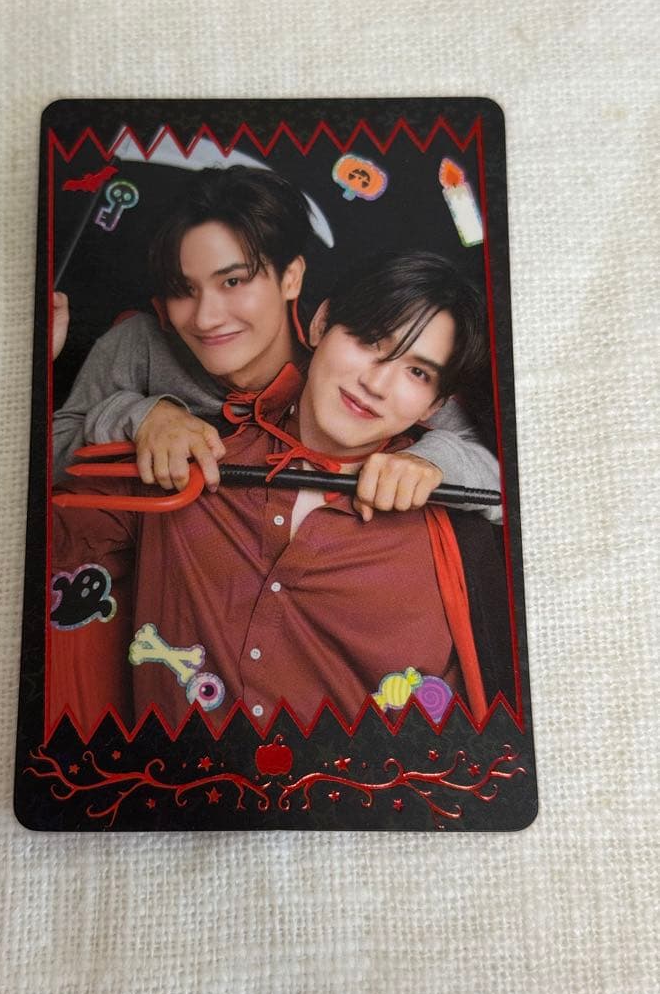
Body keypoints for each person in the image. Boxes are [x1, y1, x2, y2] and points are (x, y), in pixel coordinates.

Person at [50, 251, 497, 733]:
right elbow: (42, 530)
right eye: (370, 340)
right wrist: (117, 407)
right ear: (321, 324)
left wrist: (438, 464)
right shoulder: (197, 458)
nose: (376, 383)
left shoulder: (451, 522)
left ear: (436, 404)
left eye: (417, 373)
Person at [51, 166, 500, 522]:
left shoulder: (350, 356)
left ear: (291, 278)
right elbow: (49, 458)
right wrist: (141, 416)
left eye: (233, 281)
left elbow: (498, 475)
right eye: (183, 289)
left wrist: (430, 463)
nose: (205, 318)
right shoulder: (139, 342)